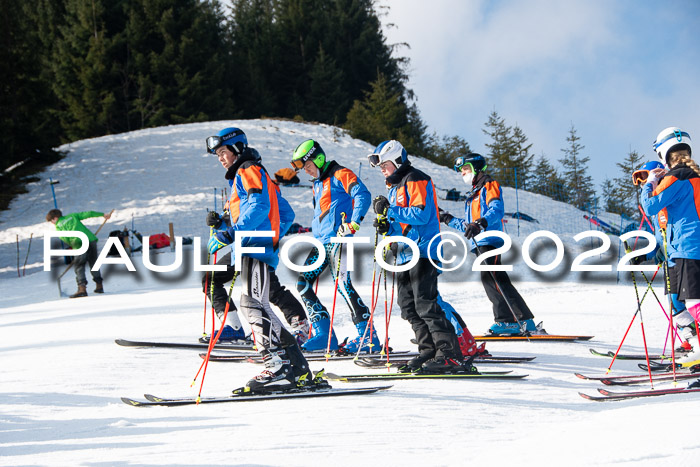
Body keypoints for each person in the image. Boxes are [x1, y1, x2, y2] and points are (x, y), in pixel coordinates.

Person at [205, 127, 312, 392]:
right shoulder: (255, 173)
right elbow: (285, 214)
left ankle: (277, 367)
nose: (220, 158)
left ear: (237, 148)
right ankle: (296, 367)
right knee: (257, 303)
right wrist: (229, 223)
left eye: (223, 152)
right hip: (258, 245)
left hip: (254, 246)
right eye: (217, 154)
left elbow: (260, 206)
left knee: (253, 304)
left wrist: (234, 232)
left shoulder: (247, 170)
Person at [368, 140, 465, 373]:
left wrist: (389, 210)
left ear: (398, 160)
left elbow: (421, 215)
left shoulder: (415, 179)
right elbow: (402, 225)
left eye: (385, 163)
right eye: (379, 165)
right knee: (408, 307)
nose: (382, 168)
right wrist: (386, 227)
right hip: (404, 256)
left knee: (426, 304)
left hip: (423, 251)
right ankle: (428, 351)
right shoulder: (394, 187)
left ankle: (450, 354)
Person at [290, 139, 377, 353]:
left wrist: (354, 222)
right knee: (303, 284)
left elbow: (363, 194)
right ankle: (324, 336)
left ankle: (368, 337)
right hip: (322, 242)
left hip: (339, 239)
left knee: (343, 285)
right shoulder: (317, 183)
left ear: (318, 159)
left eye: (309, 166)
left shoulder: (340, 173)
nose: (308, 172)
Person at [439, 153, 538, 335]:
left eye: (466, 169)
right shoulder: (473, 194)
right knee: (494, 280)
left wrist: (480, 223)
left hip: (490, 240)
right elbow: (469, 225)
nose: (463, 173)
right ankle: (523, 320)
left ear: (476, 169)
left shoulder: (489, 185)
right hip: (480, 242)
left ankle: (507, 321)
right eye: (461, 170)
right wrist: (447, 218)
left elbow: (496, 209)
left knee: (495, 280)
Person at [640, 127, 700, 373]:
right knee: (680, 301)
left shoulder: (678, 177)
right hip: (680, 249)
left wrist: (651, 182)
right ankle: (694, 344)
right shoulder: (692, 175)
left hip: (688, 247)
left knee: (694, 302)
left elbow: (650, 205)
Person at [632, 161, 696, 351]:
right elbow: (660, 239)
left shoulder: (669, 199)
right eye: (640, 179)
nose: (644, 183)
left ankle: (694, 341)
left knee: (683, 304)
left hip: (682, 257)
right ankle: (691, 343)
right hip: (671, 260)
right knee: (675, 306)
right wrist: (645, 255)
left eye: (646, 177)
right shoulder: (658, 207)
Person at [46, 209, 112, 298]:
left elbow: (64, 238)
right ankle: (99, 286)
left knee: (79, 266)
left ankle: (82, 289)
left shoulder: (59, 226)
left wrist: (72, 246)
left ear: (55, 218)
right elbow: (88, 213)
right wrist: (103, 214)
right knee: (93, 263)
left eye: (51, 221)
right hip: (90, 240)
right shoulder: (72, 216)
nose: (52, 223)